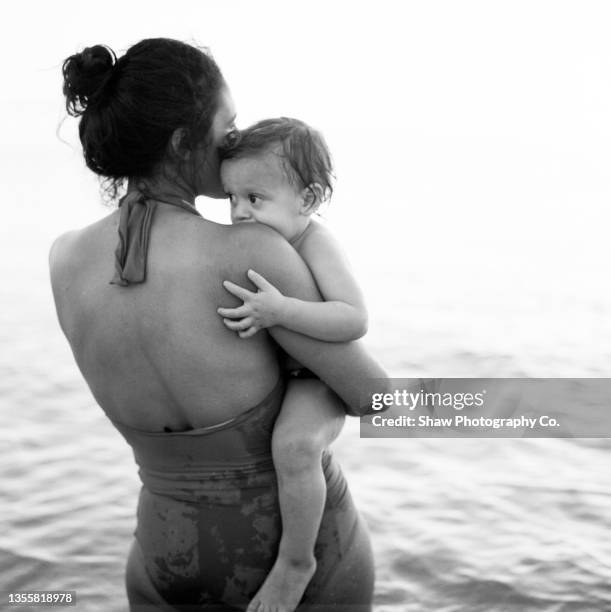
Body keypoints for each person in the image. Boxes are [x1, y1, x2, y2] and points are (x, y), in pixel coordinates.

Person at [51, 38, 388, 612]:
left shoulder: (65, 260)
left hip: (161, 557)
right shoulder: (249, 250)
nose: (237, 140)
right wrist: (560, 407)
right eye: (227, 126)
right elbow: (377, 400)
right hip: (294, 561)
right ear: (183, 142)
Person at [217, 118, 369, 612]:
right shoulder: (256, 238)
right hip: (281, 374)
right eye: (231, 198)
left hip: (315, 380)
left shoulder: (314, 242)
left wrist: (282, 312)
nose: (239, 212)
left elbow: (353, 319)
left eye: (254, 199)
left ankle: (296, 562)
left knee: (295, 445)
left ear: (306, 200)